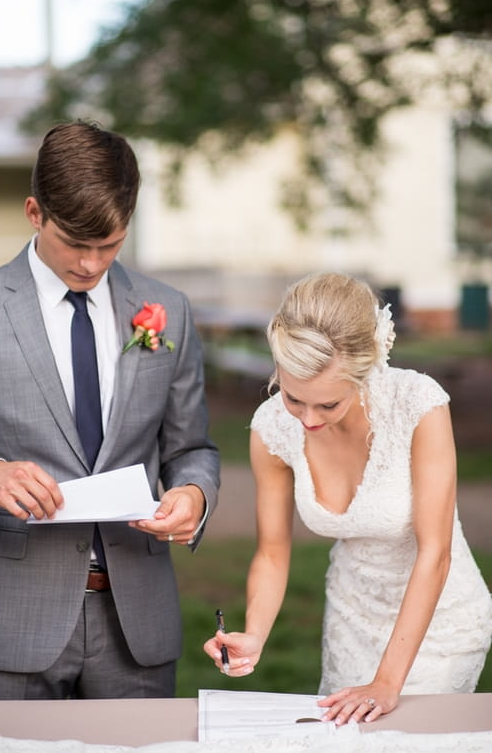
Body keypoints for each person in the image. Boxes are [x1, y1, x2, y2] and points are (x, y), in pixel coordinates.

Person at [0, 120, 219, 700]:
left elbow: (192, 448)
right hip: (11, 626)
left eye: (111, 244)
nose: (92, 264)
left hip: (137, 628)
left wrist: (193, 494)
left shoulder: (169, 309)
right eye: (77, 243)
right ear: (34, 212)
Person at [204, 272, 491, 725]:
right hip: (350, 619)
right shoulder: (271, 428)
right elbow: (273, 553)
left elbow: (435, 553)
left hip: (439, 624)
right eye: (294, 398)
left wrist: (387, 681)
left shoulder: (418, 405)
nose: (308, 419)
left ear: (363, 372)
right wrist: (255, 634)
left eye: (328, 405)